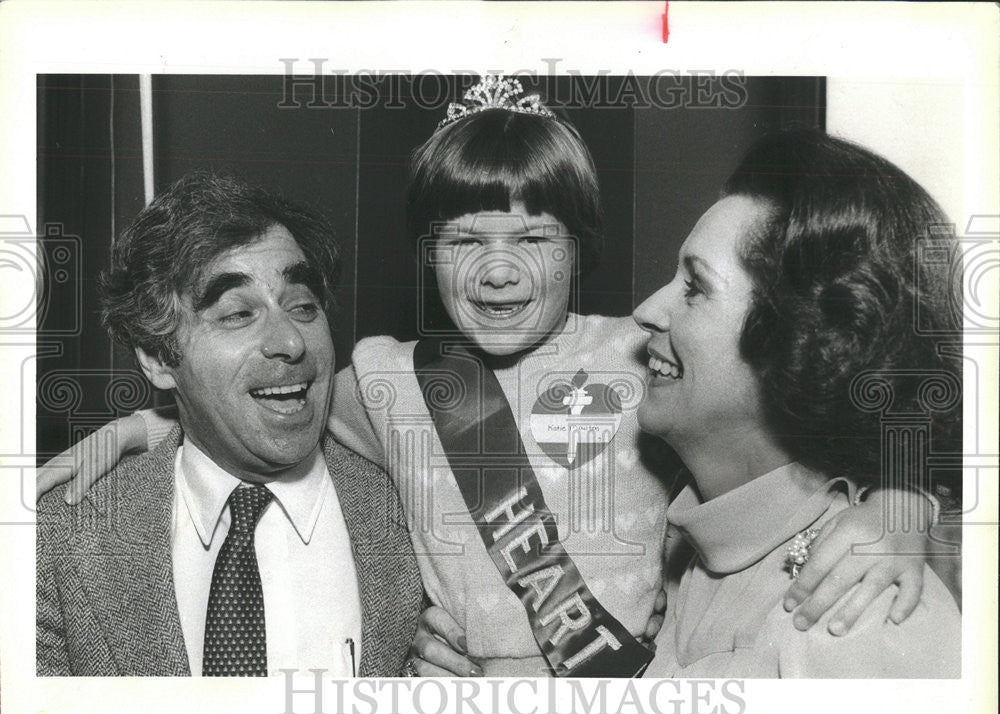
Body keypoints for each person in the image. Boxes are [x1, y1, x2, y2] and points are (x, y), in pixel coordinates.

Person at [38, 77, 940, 677]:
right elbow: (274, 410)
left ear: (580, 250)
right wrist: (146, 426)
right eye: (465, 241)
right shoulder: (389, 380)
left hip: (630, 698)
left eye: (532, 240)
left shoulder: (649, 354)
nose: (499, 272)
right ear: (426, 254)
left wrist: (901, 506)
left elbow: (795, 439)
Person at [36, 172, 423, 677]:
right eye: (238, 314)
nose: (290, 341)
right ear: (157, 357)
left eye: (303, 306)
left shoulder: (416, 504)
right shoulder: (63, 540)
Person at [636, 130, 961, 677]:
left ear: (798, 344)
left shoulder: (854, 613)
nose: (645, 311)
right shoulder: (700, 552)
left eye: (695, 286)